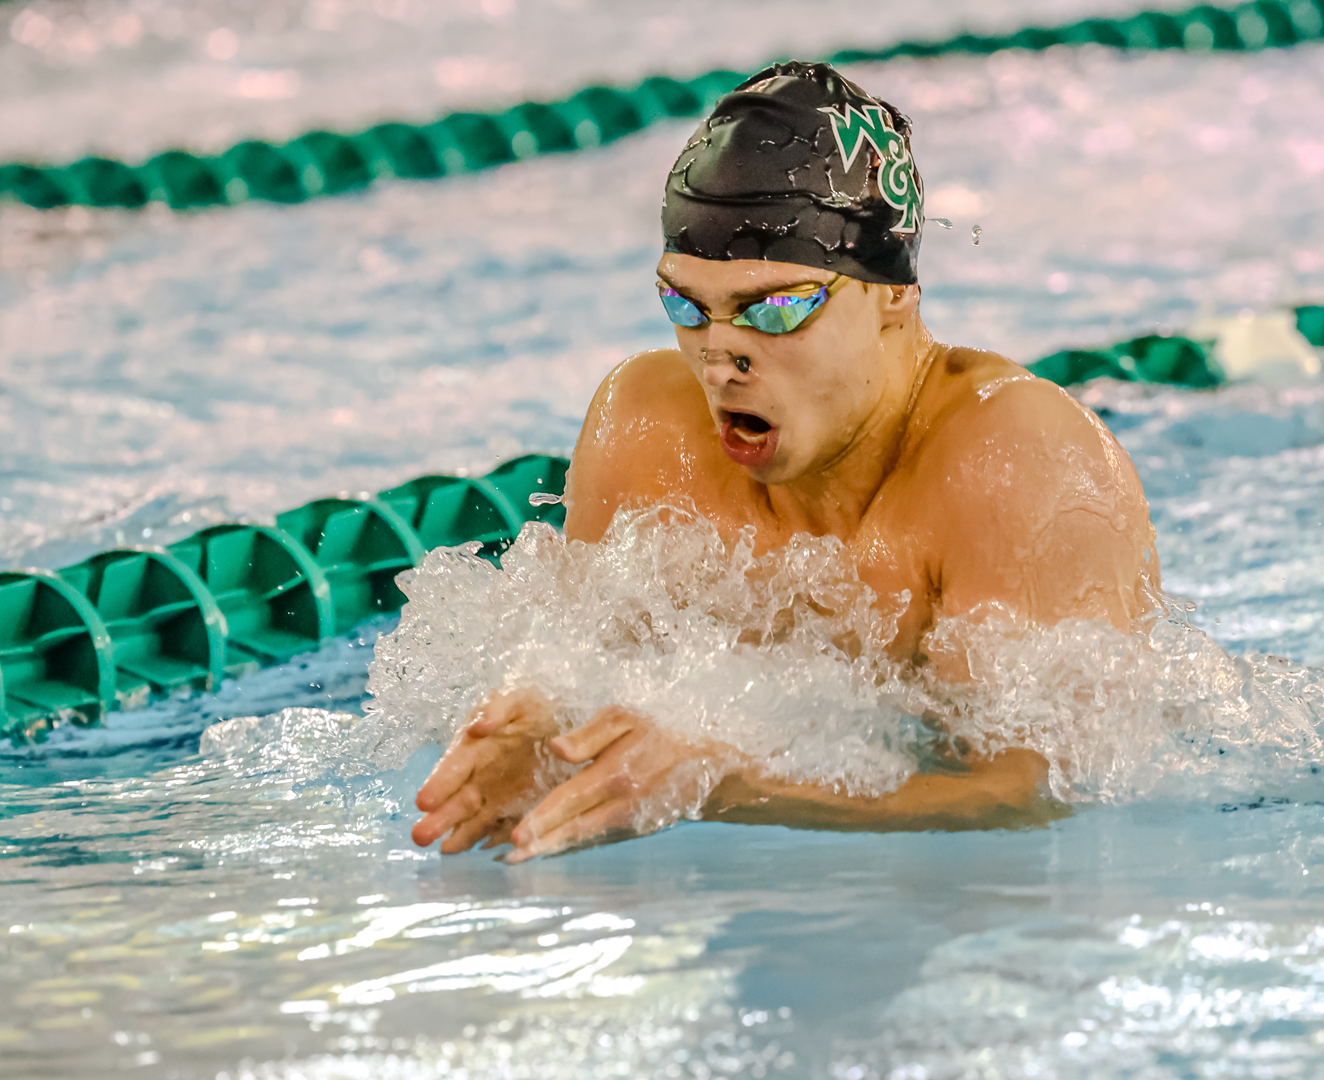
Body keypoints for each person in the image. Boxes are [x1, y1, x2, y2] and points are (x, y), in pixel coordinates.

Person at [410, 61, 1160, 862]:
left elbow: (1039, 793)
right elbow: (586, 661)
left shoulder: (1012, 460)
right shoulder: (647, 427)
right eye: (684, 306)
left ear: (893, 295)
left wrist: (730, 786)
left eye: (775, 308)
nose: (718, 357)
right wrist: (539, 720)